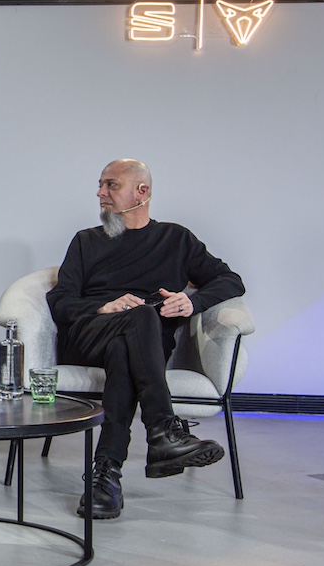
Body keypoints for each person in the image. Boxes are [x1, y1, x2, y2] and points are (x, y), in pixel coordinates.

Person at [47, 158, 245, 520]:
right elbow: (60, 301)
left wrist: (192, 301)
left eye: (111, 185)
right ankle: (162, 430)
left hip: (137, 347)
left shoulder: (176, 239)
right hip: (90, 337)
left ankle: (105, 475)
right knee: (138, 317)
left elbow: (231, 280)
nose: (100, 193)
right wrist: (105, 306)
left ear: (143, 192)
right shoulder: (86, 241)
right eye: (100, 185)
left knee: (127, 347)